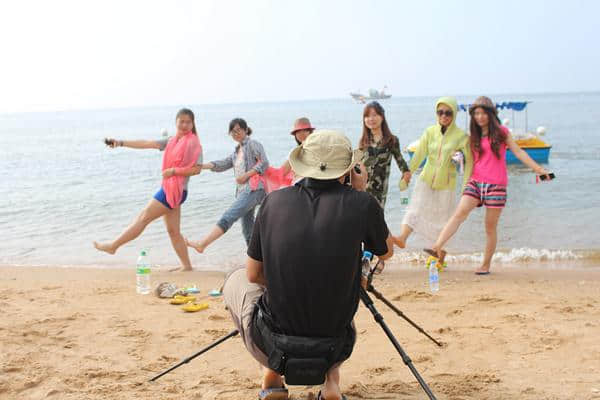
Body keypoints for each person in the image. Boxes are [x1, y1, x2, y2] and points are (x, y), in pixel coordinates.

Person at [223, 130, 394, 400]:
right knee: (336, 293)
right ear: (349, 168)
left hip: (273, 342)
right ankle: (331, 383)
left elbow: (254, 274)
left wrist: (287, 282)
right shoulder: (362, 204)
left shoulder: (272, 202)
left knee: (236, 280)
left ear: (304, 164)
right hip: (336, 344)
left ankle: (273, 374)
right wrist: (360, 193)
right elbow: (386, 253)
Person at [427, 96, 551, 274]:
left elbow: (518, 152)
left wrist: (539, 169)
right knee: (459, 214)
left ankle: (485, 265)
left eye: (483, 113)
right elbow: (460, 155)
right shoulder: (472, 136)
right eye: (476, 113)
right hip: (475, 182)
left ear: (490, 114)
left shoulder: (501, 132)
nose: (480, 117)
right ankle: (436, 246)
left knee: (489, 227)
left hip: (496, 185)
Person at [93, 108, 202, 272]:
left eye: (188, 122)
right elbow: (146, 143)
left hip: (175, 191)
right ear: (176, 122)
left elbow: (197, 169)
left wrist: (174, 171)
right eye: (182, 121)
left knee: (143, 217)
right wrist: (121, 142)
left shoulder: (194, 144)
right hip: (170, 189)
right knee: (173, 231)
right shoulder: (171, 141)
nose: (185, 125)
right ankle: (187, 266)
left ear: (193, 124)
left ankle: (113, 246)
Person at [393, 97, 473, 248]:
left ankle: (439, 253)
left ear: (454, 114)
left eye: (448, 113)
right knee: (415, 209)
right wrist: (406, 175)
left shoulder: (461, 136)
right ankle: (402, 238)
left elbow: (469, 163)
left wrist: (465, 186)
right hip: (425, 179)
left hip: (447, 183)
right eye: (440, 112)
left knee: (443, 220)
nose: (443, 116)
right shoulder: (430, 132)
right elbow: (419, 155)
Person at [186, 118, 268, 253]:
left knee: (229, 216)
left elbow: (264, 163)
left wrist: (246, 175)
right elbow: (223, 164)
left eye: (238, 130)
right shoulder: (237, 152)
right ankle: (259, 261)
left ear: (246, 130)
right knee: (247, 230)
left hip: (254, 189)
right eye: (232, 132)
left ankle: (203, 244)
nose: (235, 134)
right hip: (243, 192)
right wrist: (201, 166)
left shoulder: (253, 144)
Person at [358, 101, 411, 208]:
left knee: (376, 220)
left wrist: (404, 181)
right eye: (367, 116)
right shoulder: (363, 141)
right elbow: (358, 167)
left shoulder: (391, 140)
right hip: (362, 191)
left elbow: (404, 168)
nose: (371, 119)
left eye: (374, 115)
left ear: (382, 117)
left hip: (380, 192)